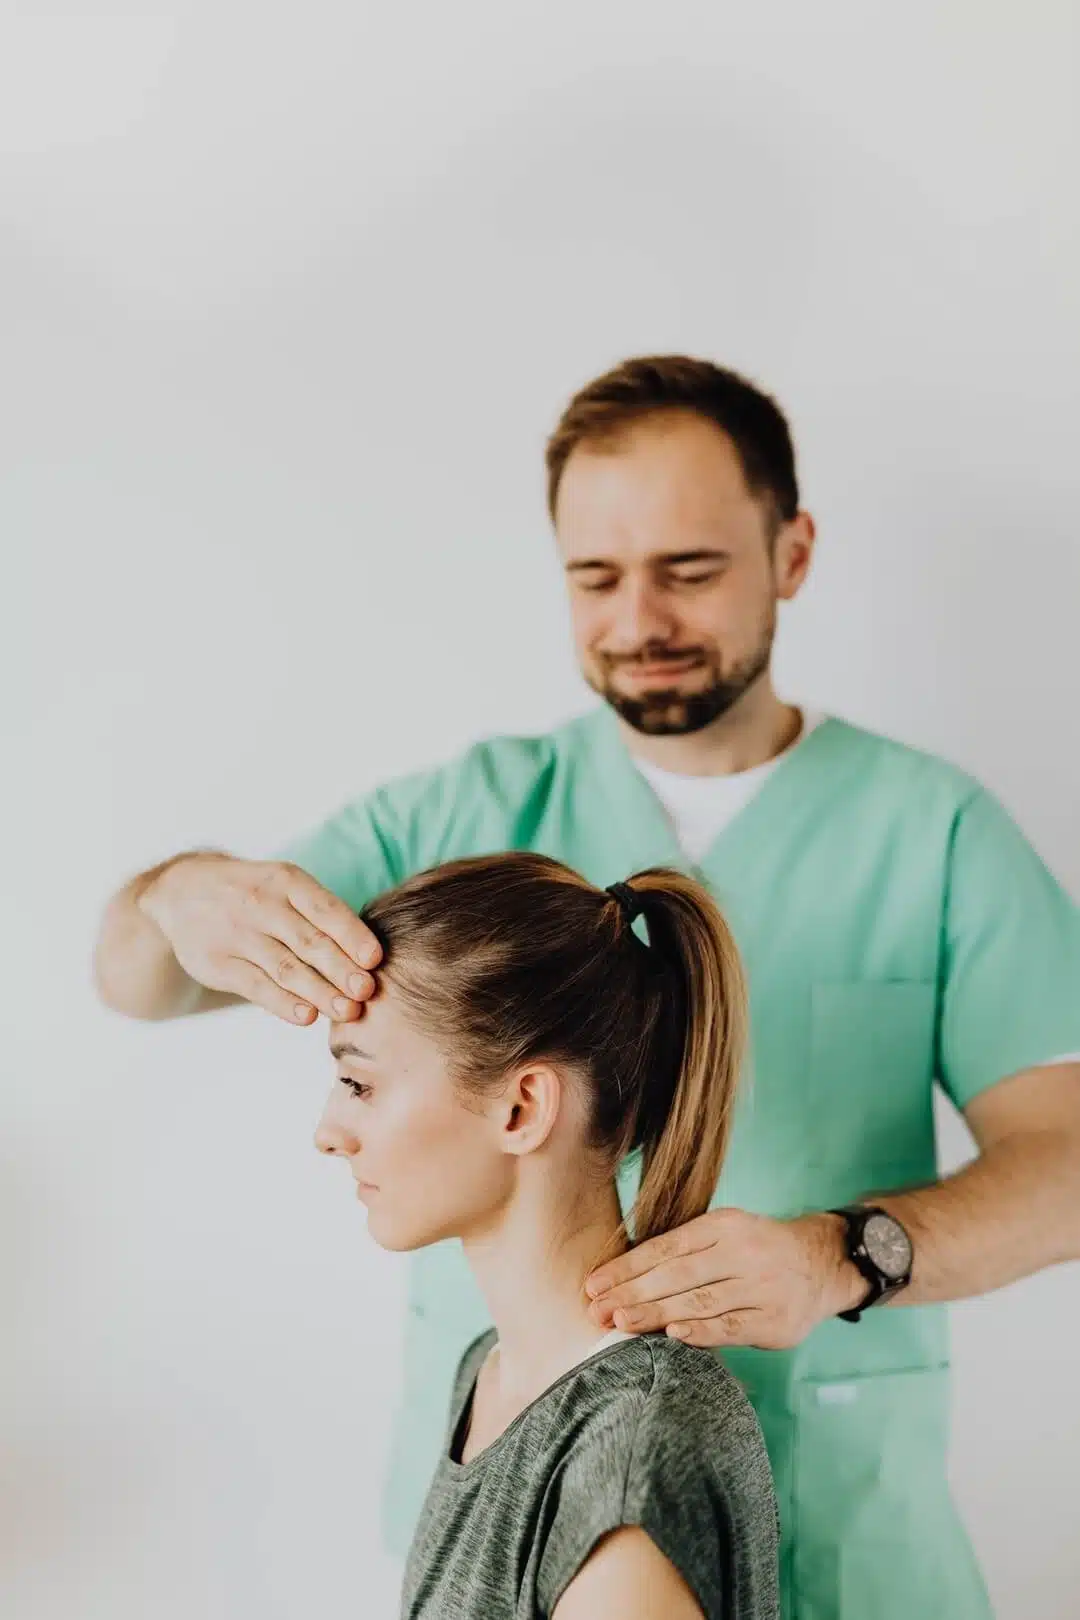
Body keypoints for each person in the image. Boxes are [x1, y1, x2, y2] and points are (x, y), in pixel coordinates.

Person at [93, 354, 1080, 1620]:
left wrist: (851, 1254)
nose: (638, 621)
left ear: (792, 553)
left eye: (691, 570)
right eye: (595, 578)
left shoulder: (931, 832)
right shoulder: (462, 815)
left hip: (845, 1541)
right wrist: (179, 893)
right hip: (518, 1509)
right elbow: (141, 983)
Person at [315, 851, 779, 1618]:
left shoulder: (629, 1454)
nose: (328, 1133)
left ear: (522, 1109)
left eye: (359, 1083)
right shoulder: (491, 1373)